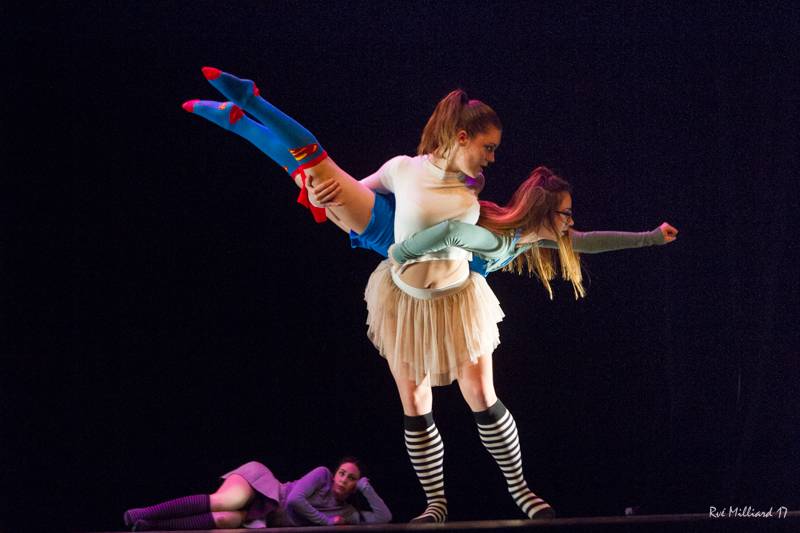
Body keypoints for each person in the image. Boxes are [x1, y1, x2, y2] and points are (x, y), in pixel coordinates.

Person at [182, 69, 677, 523]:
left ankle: (522, 490)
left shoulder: (476, 203)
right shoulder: (409, 170)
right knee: (317, 175)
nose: (492, 157)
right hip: (397, 275)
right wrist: (326, 199)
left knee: (482, 398)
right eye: (487, 146)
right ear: (461, 137)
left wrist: (650, 238)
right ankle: (246, 111)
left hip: (454, 298)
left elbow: (576, 240)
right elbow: (364, 189)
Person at [123, 458, 391, 530]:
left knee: (227, 519)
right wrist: (327, 522)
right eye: (342, 473)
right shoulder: (321, 475)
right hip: (264, 487)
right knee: (228, 501)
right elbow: (294, 501)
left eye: (351, 478)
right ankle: (143, 513)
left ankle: (149, 526)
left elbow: (384, 517)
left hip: (265, 516)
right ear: (334, 474)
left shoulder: (347, 512)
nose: (343, 479)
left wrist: (366, 487)